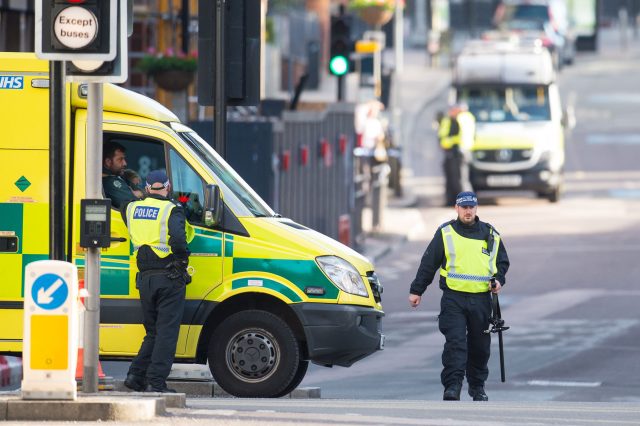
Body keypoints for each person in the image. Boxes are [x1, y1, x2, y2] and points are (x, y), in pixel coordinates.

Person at [408, 191, 509, 402]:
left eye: (471, 207)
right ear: (456, 208)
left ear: (476, 208)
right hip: (453, 298)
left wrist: (499, 280)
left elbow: (502, 263)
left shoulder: (491, 234)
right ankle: (452, 387)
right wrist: (417, 290)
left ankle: (477, 387)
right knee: (456, 343)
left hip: (481, 300)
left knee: (480, 347)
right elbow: (429, 263)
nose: (468, 211)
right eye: (464, 207)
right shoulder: (446, 233)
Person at [121, 170, 195, 393]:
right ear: (167, 187)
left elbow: (122, 200)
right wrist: (181, 261)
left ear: (146, 188)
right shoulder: (172, 209)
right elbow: (179, 240)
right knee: (166, 332)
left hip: (144, 278)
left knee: (153, 331)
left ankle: (135, 376)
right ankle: (156, 382)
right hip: (168, 275)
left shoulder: (131, 208)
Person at [438, 104, 475, 206]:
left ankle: (467, 203)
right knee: (458, 179)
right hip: (463, 151)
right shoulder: (468, 118)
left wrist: (445, 143)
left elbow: (457, 137)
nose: (450, 112)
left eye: (453, 110)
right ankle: (454, 202)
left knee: (460, 180)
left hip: (458, 152)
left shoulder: (459, 119)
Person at [103, 141, 139, 209]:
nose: (125, 163)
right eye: (120, 159)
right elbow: (135, 205)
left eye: (124, 159)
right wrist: (137, 195)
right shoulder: (109, 182)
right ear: (108, 162)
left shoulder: (121, 176)